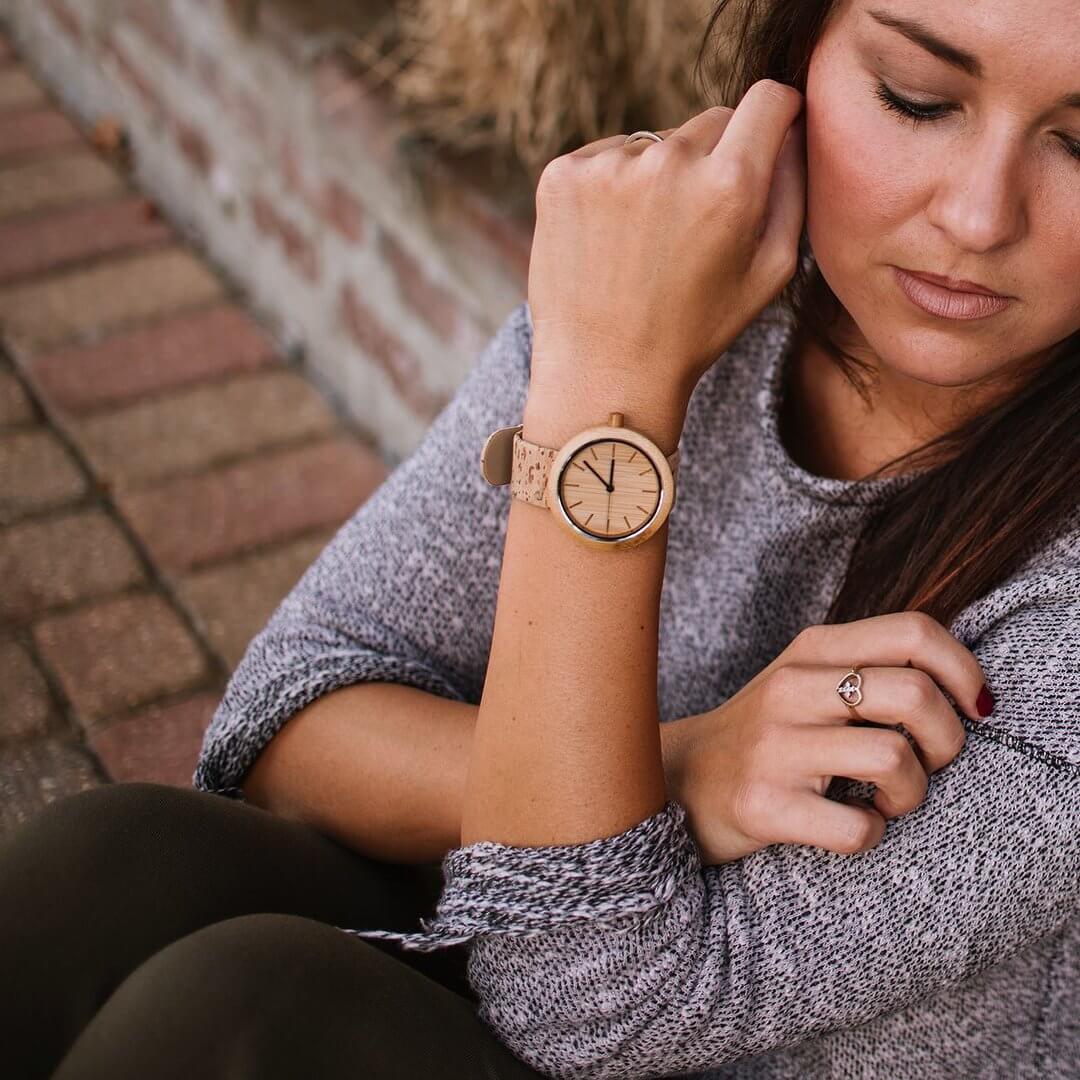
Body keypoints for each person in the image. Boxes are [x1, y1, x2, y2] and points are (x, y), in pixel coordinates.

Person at [3, 0, 1078, 1075]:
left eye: (1079, 142)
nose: (981, 217)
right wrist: (685, 762)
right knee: (107, 864)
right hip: (546, 951)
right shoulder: (662, 301)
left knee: (246, 1016)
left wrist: (611, 391)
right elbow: (281, 729)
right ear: (793, 61)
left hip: (630, 1018)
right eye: (918, 100)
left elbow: (579, 1006)